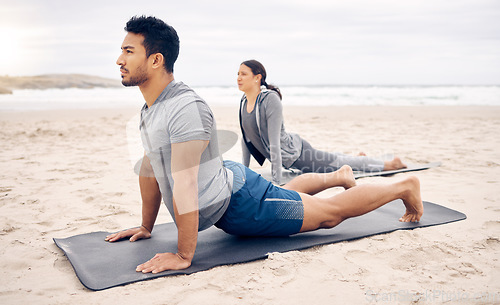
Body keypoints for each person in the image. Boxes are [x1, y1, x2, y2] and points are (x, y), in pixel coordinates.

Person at [105, 15, 423, 274]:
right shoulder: (151, 109)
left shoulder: (184, 110)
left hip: (242, 203)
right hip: (227, 184)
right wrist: (147, 226)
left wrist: (184, 255)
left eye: (129, 51)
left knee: (329, 215)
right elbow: (150, 167)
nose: (120, 59)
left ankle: (404, 186)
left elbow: (186, 182)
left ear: (156, 59)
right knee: (288, 196)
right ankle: (337, 176)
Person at [237, 59, 407, 185]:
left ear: (257, 78)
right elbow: (247, 141)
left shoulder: (270, 100)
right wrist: (244, 174)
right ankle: (356, 157)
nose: (239, 78)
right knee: (336, 159)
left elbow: (274, 142)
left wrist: (277, 181)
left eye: (243, 74)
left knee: (339, 165)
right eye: (237, 74)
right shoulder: (244, 102)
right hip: (292, 158)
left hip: (300, 155)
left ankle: (391, 164)